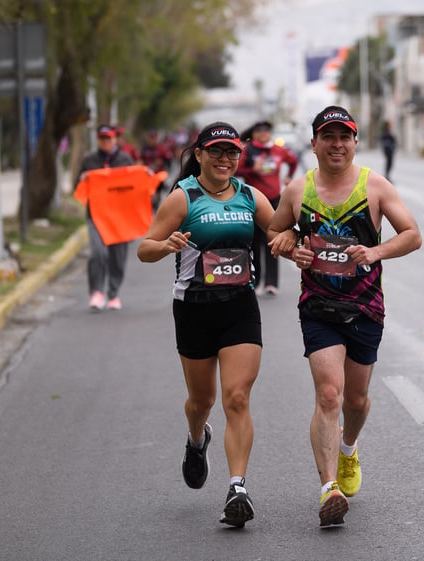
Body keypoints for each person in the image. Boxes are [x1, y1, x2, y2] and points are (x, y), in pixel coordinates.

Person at [267, 106, 422, 527]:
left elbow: (412, 235)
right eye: (328, 137)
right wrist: (289, 245)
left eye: (345, 137)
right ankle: (328, 488)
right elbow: (275, 231)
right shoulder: (298, 190)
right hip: (318, 306)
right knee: (329, 395)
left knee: (354, 399)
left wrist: (375, 251)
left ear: (354, 142)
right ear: (314, 142)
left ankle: (349, 448)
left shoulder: (375, 186)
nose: (337, 145)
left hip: (365, 307)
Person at [136, 121, 296, 528]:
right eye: (217, 152)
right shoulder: (183, 197)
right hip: (194, 307)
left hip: (240, 305)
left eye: (232, 153)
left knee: (237, 397)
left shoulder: (249, 195)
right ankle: (196, 438)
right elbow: (144, 249)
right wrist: (166, 244)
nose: (225, 160)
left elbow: (279, 231)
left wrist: (296, 244)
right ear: (201, 154)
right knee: (201, 401)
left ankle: (237, 488)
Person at [236, 120, 299, 296]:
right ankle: (255, 282)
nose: (263, 133)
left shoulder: (278, 150)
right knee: (254, 241)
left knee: (274, 241)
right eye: (259, 130)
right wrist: (251, 170)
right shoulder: (247, 150)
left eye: (267, 130)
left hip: (274, 200)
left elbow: (294, 161)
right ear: (254, 133)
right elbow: (234, 170)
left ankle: (272, 283)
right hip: (253, 201)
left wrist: (289, 177)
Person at [76, 124, 135, 310]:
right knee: (98, 253)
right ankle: (96, 292)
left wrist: (146, 175)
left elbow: (135, 184)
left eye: (108, 138)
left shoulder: (125, 160)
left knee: (118, 256)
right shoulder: (89, 161)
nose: (105, 142)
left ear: (115, 139)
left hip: (120, 217)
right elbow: (77, 187)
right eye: (102, 138)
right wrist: (83, 179)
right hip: (96, 215)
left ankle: (113, 293)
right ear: (97, 140)